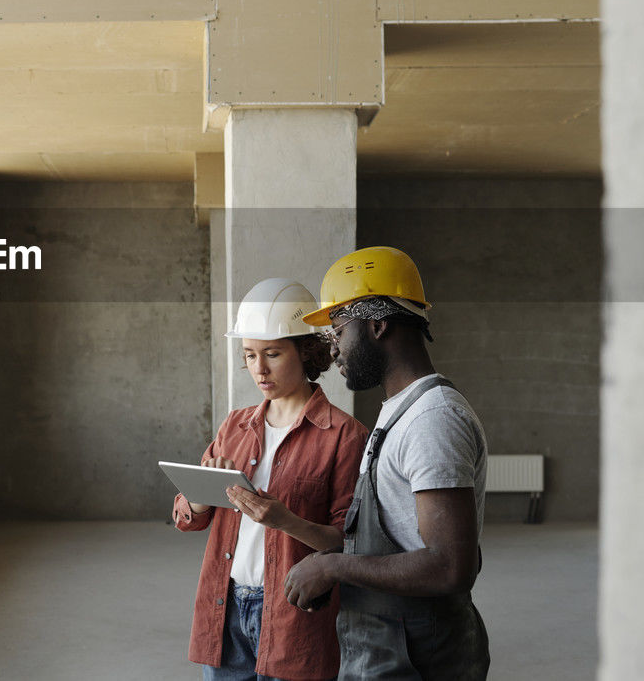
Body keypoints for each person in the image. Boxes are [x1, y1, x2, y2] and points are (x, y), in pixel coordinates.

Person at [283, 246, 490, 680]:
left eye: (339, 331)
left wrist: (332, 566)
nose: (334, 351)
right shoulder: (401, 409)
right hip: (389, 650)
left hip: (417, 658)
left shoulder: (432, 420)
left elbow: (452, 565)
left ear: (377, 325)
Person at [173, 278, 368, 681]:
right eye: (249, 355)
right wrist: (198, 501)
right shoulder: (235, 425)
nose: (258, 369)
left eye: (273, 354)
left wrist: (285, 521)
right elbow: (186, 516)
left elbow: (349, 543)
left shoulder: (345, 436)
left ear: (307, 352)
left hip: (293, 614)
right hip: (224, 605)